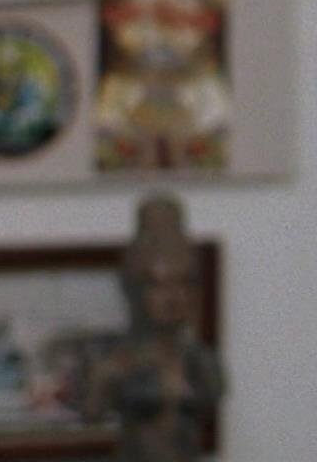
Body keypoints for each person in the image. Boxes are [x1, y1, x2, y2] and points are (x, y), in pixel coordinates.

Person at [82, 194, 225, 462]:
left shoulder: (202, 361)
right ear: (134, 289)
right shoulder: (113, 361)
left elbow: (209, 396)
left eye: (183, 283)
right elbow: (91, 412)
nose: (173, 297)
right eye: (158, 285)